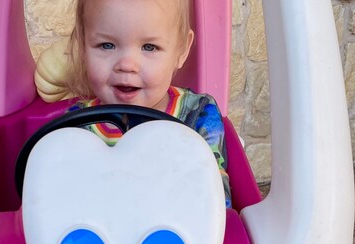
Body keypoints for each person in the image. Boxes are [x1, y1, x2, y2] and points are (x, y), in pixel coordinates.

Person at [63, 0, 232, 207]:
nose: (127, 65)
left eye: (149, 47)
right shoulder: (76, 126)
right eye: (107, 45)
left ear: (181, 50)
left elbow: (215, 202)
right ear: (82, 45)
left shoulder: (198, 116)